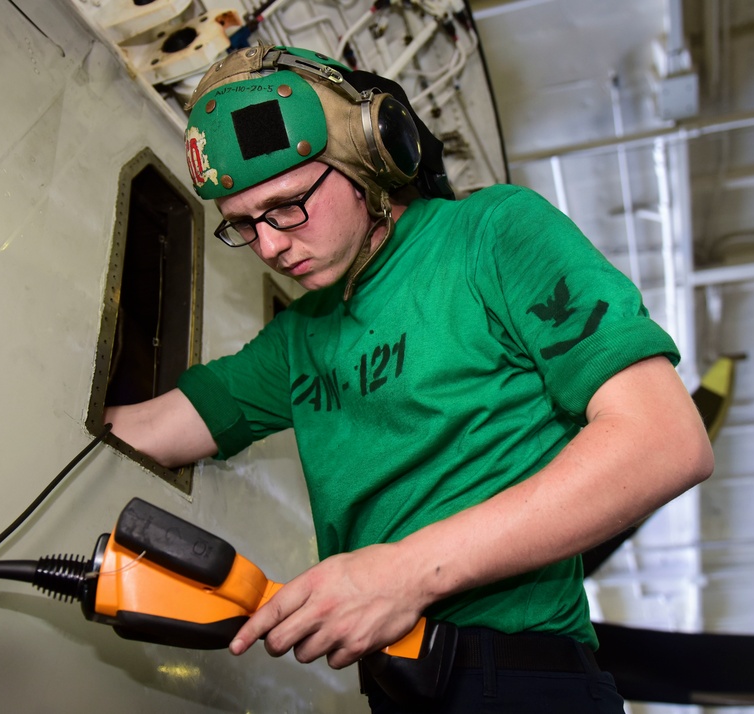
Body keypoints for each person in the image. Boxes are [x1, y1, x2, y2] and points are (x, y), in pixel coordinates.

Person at [104, 44, 714, 712]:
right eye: (243, 226)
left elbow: (663, 440)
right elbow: (149, 432)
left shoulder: (492, 233)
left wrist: (403, 574)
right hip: (398, 688)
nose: (271, 245)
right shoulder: (297, 339)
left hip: (520, 682)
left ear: (371, 158)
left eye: (286, 206)